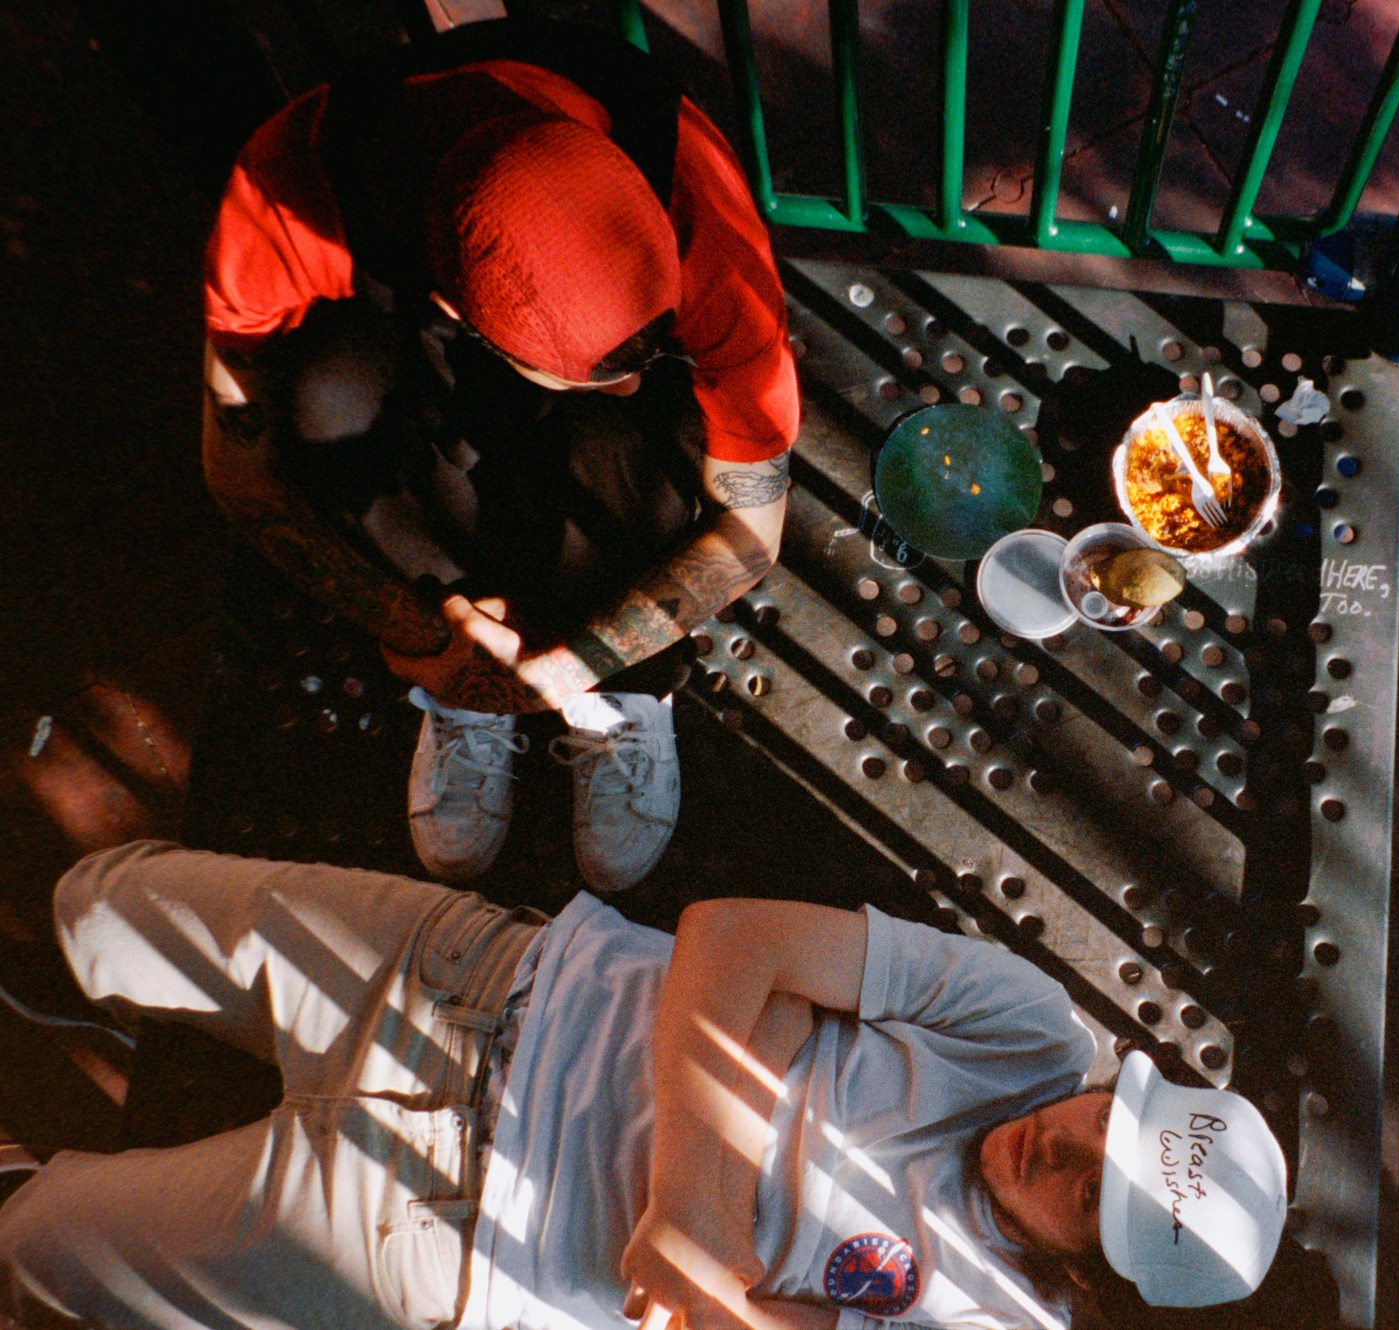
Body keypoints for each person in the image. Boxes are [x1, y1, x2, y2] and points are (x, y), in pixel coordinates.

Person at [0, 842, 1289, 1330]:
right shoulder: (1027, 1023)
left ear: (1090, 1268)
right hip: (477, 978)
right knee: (99, 901)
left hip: (444, 1239)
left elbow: (754, 981)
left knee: (41, 1242)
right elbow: (733, 930)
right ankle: (77, 987)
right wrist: (699, 1216)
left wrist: (772, 1036)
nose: (1057, 1147)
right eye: (1103, 1123)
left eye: (1087, 1195)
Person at [199, 19, 798, 893]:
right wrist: (428, 644)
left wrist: (567, 668)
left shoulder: (690, 197)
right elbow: (237, 468)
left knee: (669, 432)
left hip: (497, 321)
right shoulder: (292, 190)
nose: (623, 389)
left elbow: (754, 529)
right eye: (593, 377)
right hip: (407, 332)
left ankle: (631, 692)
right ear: (454, 307)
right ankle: (455, 692)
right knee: (325, 395)